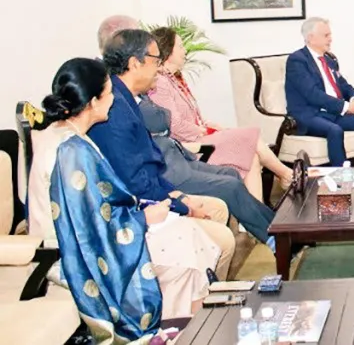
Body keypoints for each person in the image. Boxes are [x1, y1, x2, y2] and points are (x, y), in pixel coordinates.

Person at [39, 58, 221, 343]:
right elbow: (89, 231)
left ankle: (181, 331)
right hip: (74, 257)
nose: (114, 99)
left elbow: (98, 208)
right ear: (93, 102)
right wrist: (144, 218)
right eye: (109, 93)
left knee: (187, 235)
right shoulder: (71, 152)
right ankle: (171, 334)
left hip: (98, 238)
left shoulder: (68, 135)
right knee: (185, 256)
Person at [86, 29, 267, 260]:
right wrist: (180, 202)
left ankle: (279, 234)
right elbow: (135, 178)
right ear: (135, 63)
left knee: (231, 175)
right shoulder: (115, 109)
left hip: (166, 168)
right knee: (230, 185)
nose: (159, 67)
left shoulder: (127, 97)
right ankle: (277, 236)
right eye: (155, 60)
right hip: (149, 197)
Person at [147, 27, 293, 194]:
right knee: (251, 138)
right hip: (188, 147)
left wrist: (207, 125)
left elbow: (192, 117)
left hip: (198, 137)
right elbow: (174, 124)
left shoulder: (174, 80)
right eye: (180, 46)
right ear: (167, 50)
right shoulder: (160, 83)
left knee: (252, 158)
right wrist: (202, 131)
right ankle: (286, 174)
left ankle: (258, 205)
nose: (185, 50)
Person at [285, 17, 354, 166]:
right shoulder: (297, 60)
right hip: (310, 115)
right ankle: (341, 177)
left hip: (334, 114)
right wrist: (347, 107)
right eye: (326, 35)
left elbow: (344, 86)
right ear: (311, 38)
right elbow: (312, 94)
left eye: (330, 35)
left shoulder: (329, 60)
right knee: (335, 130)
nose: (330, 39)